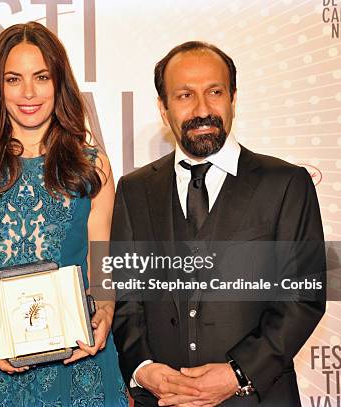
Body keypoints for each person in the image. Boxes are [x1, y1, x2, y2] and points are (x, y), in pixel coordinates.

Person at [111, 41, 326, 406]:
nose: (202, 109)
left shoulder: (286, 183)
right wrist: (143, 367)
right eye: (184, 96)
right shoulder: (134, 189)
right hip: (163, 401)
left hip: (259, 398)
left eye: (215, 92)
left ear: (233, 98)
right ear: (164, 109)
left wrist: (238, 373)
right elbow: (124, 296)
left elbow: (303, 296)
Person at [0, 21, 127, 406]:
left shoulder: (92, 166)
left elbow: (101, 266)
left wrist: (104, 311)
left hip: (78, 362)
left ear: (59, 83)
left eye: (41, 77)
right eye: (13, 79)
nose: (29, 92)